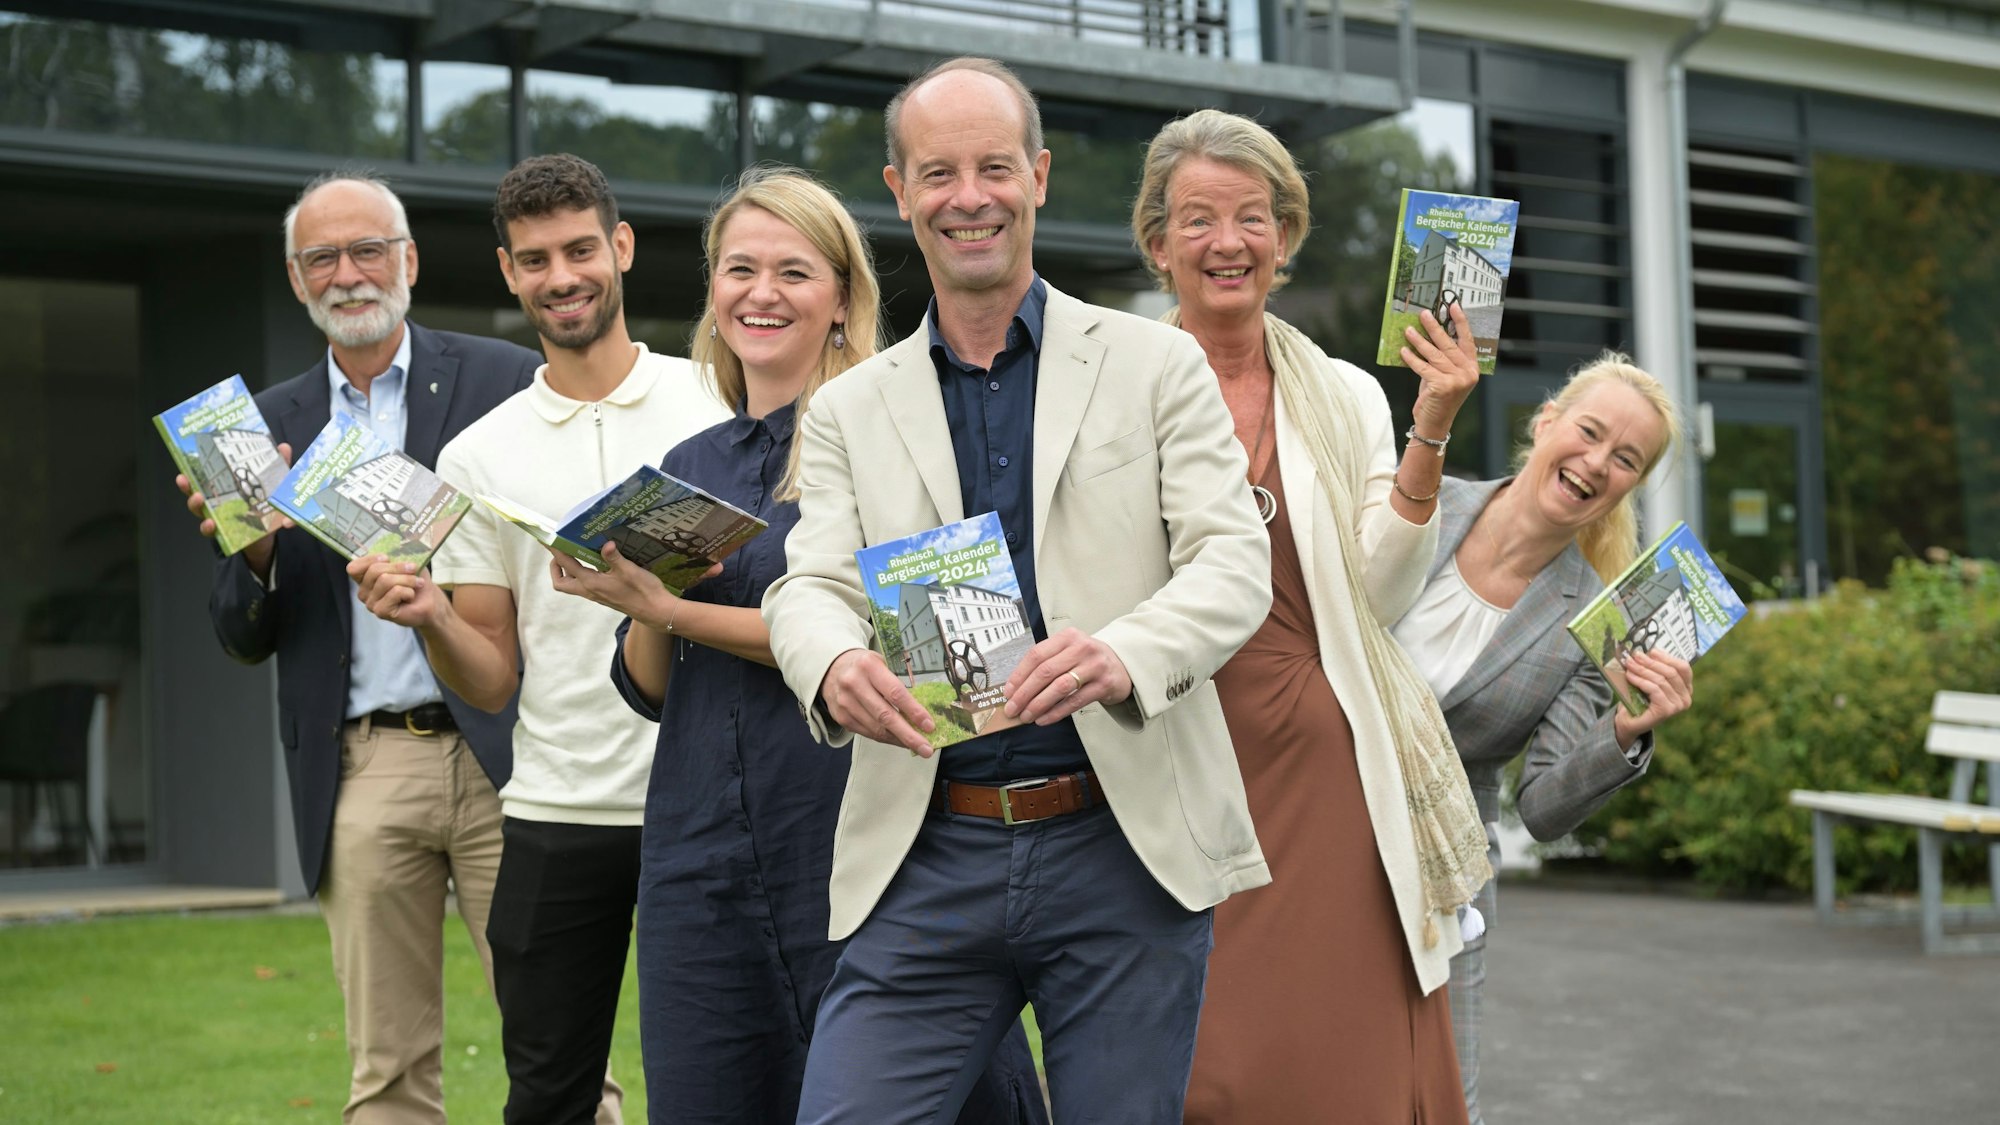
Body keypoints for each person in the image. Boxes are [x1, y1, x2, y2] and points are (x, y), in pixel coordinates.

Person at [761, 58, 1274, 1123]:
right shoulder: (850, 407)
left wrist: (1124, 651)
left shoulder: (1153, 365)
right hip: (927, 847)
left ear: (1036, 177)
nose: (969, 196)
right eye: (937, 172)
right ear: (899, 192)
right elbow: (806, 584)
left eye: (993, 166)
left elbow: (1233, 565)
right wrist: (832, 662)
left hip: (1119, 847)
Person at [543, 165, 1047, 1125]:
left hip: (864, 843)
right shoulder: (689, 465)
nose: (760, 294)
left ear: (844, 299)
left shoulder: (912, 433)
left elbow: (920, 654)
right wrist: (642, 603)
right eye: (739, 270)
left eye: (793, 272)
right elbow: (651, 689)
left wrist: (678, 609)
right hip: (700, 860)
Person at [1129, 108, 1491, 1123]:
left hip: (1331, 779)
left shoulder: (1340, 393)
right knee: (1206, 1068)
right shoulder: (1108, 386)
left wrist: (1429, 423)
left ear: (1283, 238)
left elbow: (1377, 594)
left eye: (1252, 217)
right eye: (1196, 220)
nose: (1227, 242)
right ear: (1157, 243)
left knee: (1338, 1062)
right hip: (1170, 756)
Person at [350, 153, 726, 1125]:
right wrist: (432, 616)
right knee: (548, 1097)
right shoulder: (480, 450)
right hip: (559, 809)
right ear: (508, 272)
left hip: (715, 799)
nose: (560, 276)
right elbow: (488, 679)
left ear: (622, 249)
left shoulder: (715, 401)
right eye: (534, 259)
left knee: (740, 1075)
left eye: (578, 250)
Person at [179, 170, 539, 1123]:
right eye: (322, 259)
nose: (348, 274)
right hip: (364, 768)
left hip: (511, 752)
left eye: (367, 249)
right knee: (386, 1073)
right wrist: (253, 552)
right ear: (296, 281)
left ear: (409, 262)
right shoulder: (256, 425)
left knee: (558, 1045)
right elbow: (239, 633)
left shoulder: (504, 381)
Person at [1389, 353, 1693, 1125]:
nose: (1598, 462)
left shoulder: (1598, 626)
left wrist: (1624, 731)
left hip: (1441, 882)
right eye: (1590, 432)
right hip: (1310, 832)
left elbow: (1544, 807)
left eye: (1626, 458)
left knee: (1443, 1107)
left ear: (1632, 484)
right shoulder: (1422, 500)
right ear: (1546, 421)